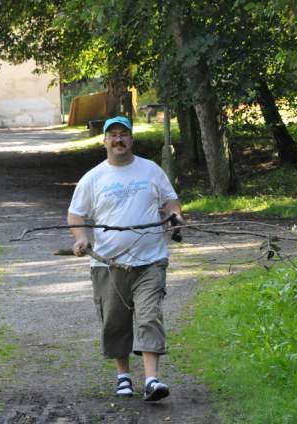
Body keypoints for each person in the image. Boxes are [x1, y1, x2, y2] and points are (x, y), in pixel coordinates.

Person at [67, 116, 184, 402]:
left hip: (150, 260)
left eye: (123, 134)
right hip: (108, 263)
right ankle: (123, 376)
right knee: (115, 321)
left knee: (149, 316)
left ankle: (152, 380)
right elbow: (76, 214)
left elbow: (170, 201)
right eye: (113, 135)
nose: (118, 139)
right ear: (105, 141)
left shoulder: (151, 170)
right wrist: (82, 238)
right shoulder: (94, 177)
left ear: (131, 139)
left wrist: (175, 216)